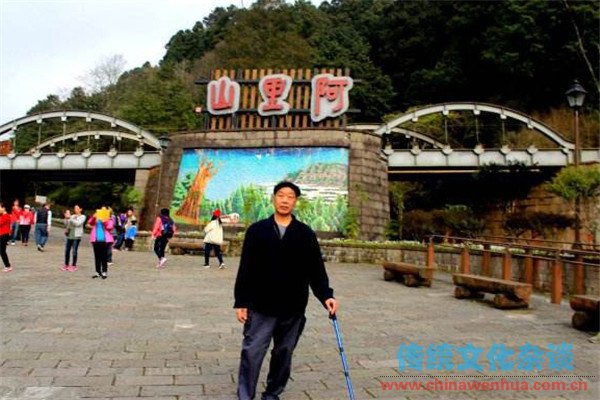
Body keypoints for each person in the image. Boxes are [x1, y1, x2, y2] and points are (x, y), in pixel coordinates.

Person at [233, 181, 338, 400]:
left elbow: (315, 269)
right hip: (261, 305)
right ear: (274, 198)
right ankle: (245, 396)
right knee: (252, 352)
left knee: (284, 353)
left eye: (290, 196)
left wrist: (326, 295)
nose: (284, 200)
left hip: (293, 306)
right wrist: (241, 301)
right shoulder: (257, 231)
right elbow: (247, 269)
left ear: (295, 201)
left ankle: (272, 393)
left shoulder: (305, 233)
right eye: (281, 195)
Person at [87, 207, 114, 279]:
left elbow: (110, 227)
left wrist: (104, 221)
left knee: (104, 257)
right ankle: (97, 272)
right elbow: (90, 222)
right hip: (96, 240)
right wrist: (94, 217)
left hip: (104, 240)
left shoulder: (109, 220)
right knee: (97, 257)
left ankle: (104, 271)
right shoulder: (96, 219)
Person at [62, 205, 87, 272]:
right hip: (70, 235)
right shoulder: (72, 216)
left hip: (77, 236)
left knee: (74, 251)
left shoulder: (83, 217)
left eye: (77, 208)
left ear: (80, 209)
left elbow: (77, 224)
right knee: (67, 251)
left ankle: (74, 265)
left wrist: (70, 218)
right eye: (74, 208)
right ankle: (66, 264)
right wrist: (66, 218)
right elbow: (67, 225)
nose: (75, 209)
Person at [0, 202, 13, 272]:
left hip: (4, 235)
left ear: (3, 208)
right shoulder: (2, 216)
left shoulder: (6, 216)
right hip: (2, 235)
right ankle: (7, 265)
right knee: (2, 251)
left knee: (2, 251)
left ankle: (8, 266)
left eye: (0, 207)